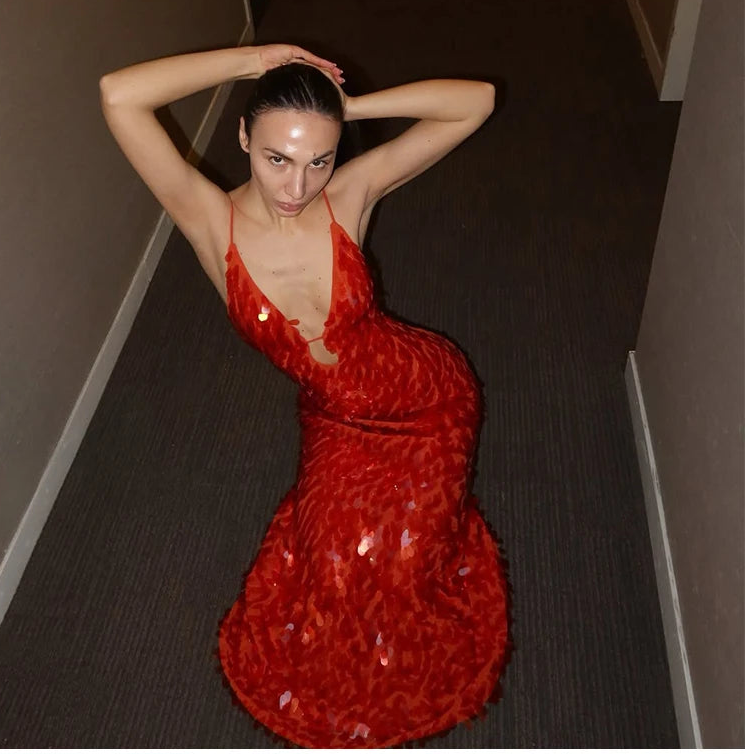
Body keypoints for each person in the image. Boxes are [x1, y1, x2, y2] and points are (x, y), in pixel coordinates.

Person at [100, 43, 509, 748]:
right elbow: (118, 93)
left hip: (428, 400)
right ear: (242, 139)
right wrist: (252, 61)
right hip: (339, 417)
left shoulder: (349, 194)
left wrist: (349, 108)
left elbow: (476, 100)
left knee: (406, 561)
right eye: (277, 159)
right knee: (332, 563)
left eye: (318, 160)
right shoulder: (207, 220)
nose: (297, 186)